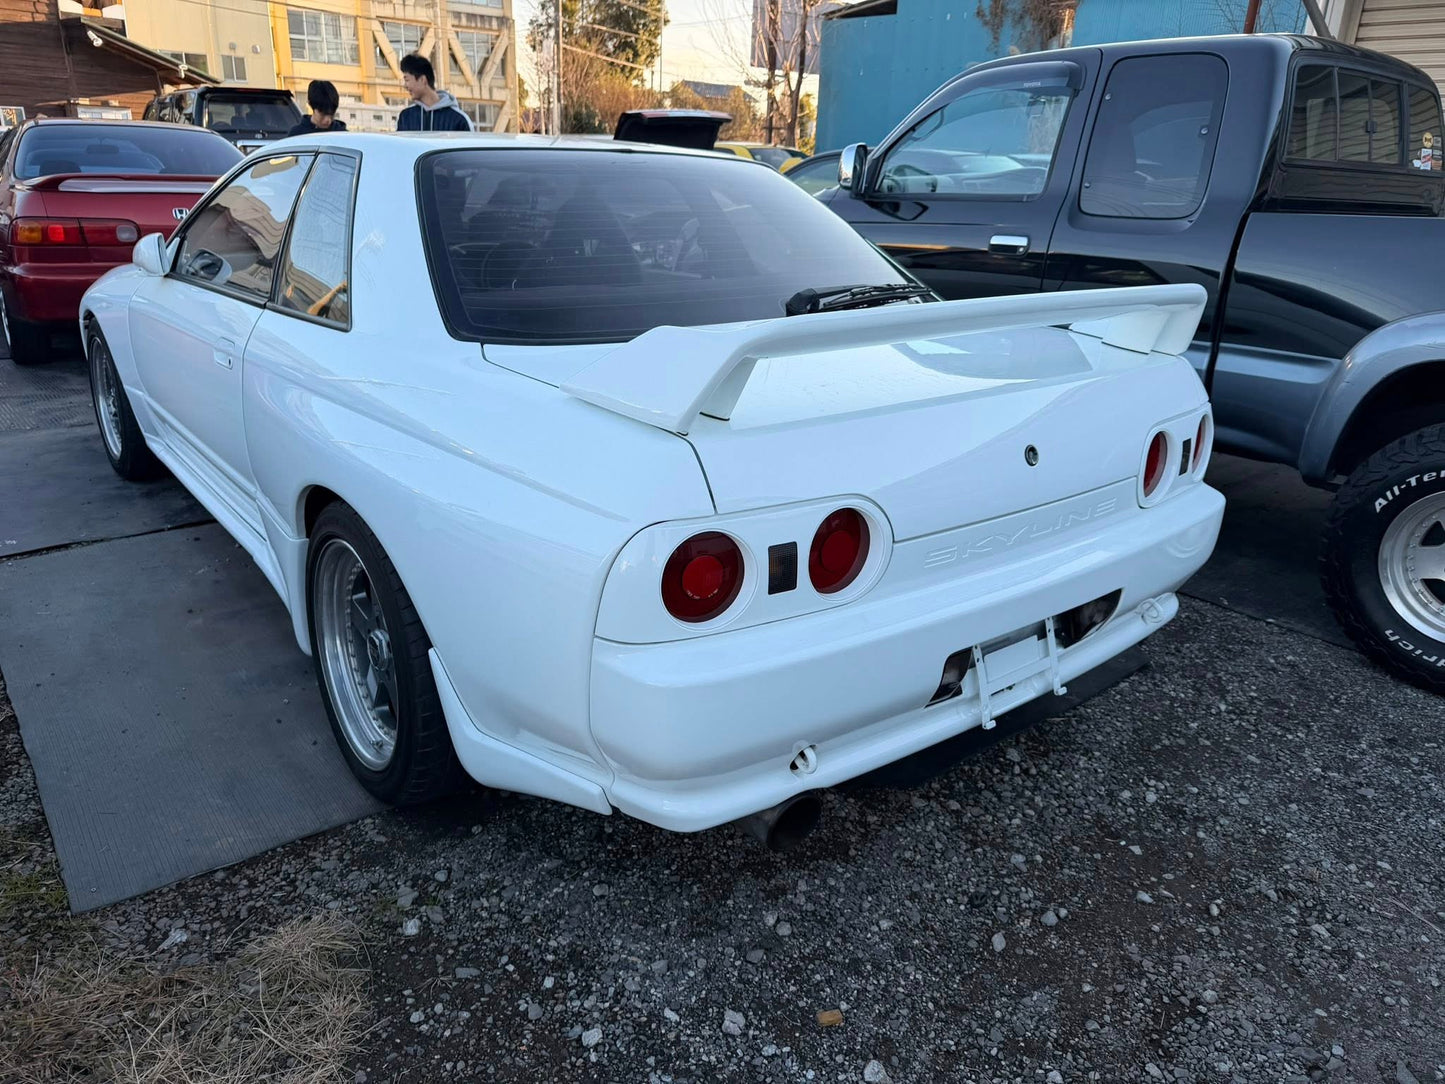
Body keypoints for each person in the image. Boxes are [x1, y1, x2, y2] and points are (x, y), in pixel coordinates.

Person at [396, 54, 472, 132]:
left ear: (422, 80)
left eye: (407, 80)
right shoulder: (406, 117)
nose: (405, 86)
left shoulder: (459, 120)